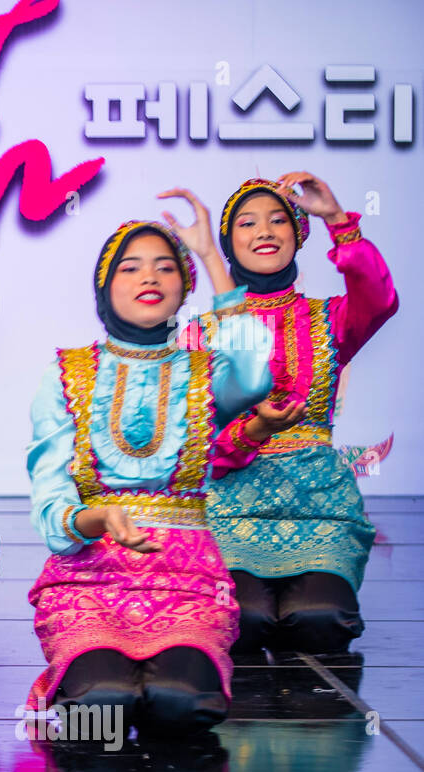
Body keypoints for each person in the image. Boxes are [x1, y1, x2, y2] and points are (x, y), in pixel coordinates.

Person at [26, 193, 273, 736]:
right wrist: (99, 520)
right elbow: (51, 508)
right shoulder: (65, 374)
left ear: (184, 289)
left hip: (187, 581)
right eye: (131, 266)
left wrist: (212, 259)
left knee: (179, 705)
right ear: (104, 287)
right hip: (90, 577)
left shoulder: (206, 373)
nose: (150, 277)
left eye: (166, 267)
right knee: (102, 708)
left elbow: (257, 375)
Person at [206, 174, 398, 656]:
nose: (265, 231)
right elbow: (198, 446)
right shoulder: (201, 334)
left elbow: (379, 299)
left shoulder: (329, 318)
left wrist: (336, 218)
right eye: (248, 223)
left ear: (298, 235)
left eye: (279, 220)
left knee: (320, 623)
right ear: (229, 243)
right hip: (230, 506)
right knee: (242, 622)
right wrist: (252, 432)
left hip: (320, 505)